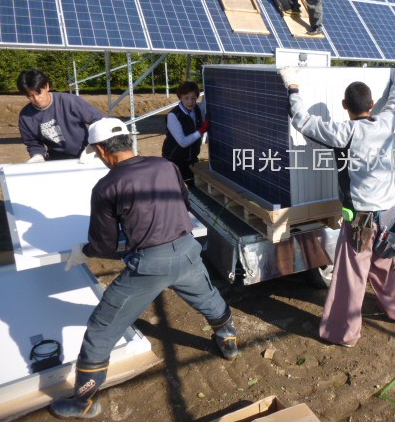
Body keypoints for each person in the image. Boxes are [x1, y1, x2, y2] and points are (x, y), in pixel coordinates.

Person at [50, 118, 237, 419]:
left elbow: (104, 245)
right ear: (128, 141)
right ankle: (228, 338)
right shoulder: (166, 166)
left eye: (97, 153)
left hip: (149, 266)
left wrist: (83, 252)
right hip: (188, 249)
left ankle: (84, 401)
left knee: (102, 327)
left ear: (102, 149)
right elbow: (183, 200)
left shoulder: (107, 186)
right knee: (207, 297)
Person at [280, 65, 395, 348]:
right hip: (390, 215)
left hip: (361, 221)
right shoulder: (388, 122)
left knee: (351, 278)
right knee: (389, 266)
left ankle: (344, 334)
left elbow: (303, 121)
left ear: (344, 106)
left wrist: (292, 85)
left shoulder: (345, 132)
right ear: (373, 105)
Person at [16, 68, 104, 163]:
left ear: (47, 86)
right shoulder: (26, 116)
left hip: (87, 154)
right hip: (57, 159)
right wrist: (38, 155)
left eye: (38, 93)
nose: (36, 99)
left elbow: (100, 121)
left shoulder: (69, 102)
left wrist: (93, 145)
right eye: (30, 96)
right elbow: (33, 143)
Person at [162, 81, 209, 186]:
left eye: (193, 98)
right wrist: (201, 131)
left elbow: (208, 101)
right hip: (173, 160)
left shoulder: (197, 109)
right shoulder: (173, 116)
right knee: (174, 192)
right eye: (186, 98)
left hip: (192, 159)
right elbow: (182, 142)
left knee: (195, 189)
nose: (190, 102)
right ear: (180, 97)